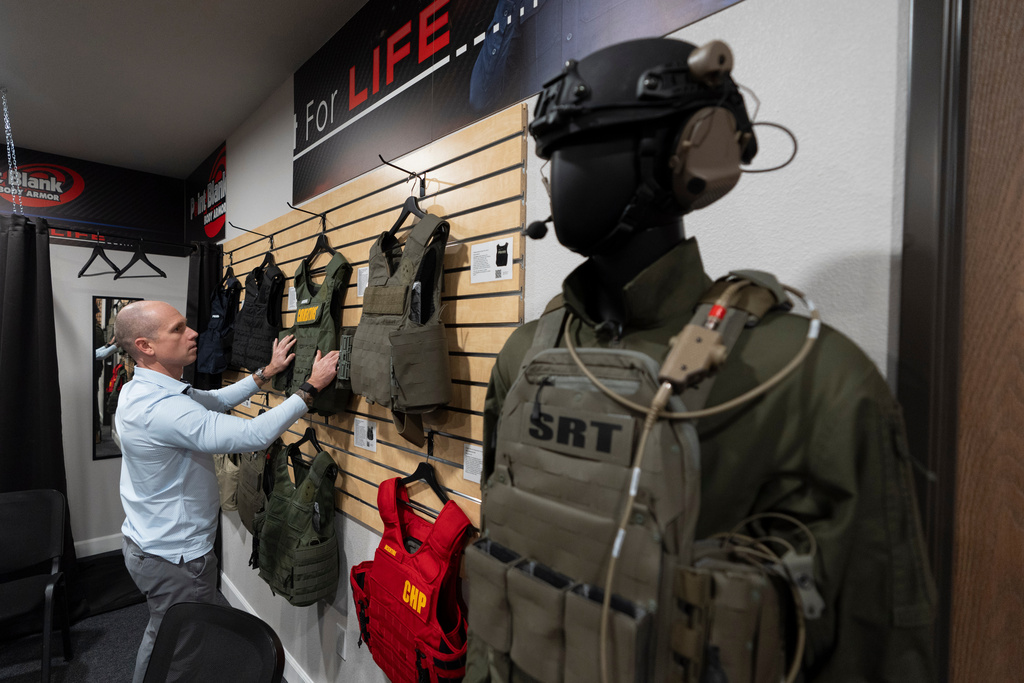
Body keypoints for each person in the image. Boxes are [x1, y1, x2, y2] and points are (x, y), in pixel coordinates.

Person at [466, 38, 936, 681]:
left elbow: (875, 643)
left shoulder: (812, 380)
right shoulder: (526, 355)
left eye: (581, 147)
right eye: (553, 156)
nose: (555, 175)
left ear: (684, 155)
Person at [113, 299, 339, 683]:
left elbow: (213, 401)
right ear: (145, 346)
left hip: (151, 545)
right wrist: (310, 388)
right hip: (176, 559)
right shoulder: (162, 409)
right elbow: (252, 435)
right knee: (181, 652)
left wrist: (267, 372)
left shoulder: (145, 390)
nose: (193, 333)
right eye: (178, 329)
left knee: (163, 634)